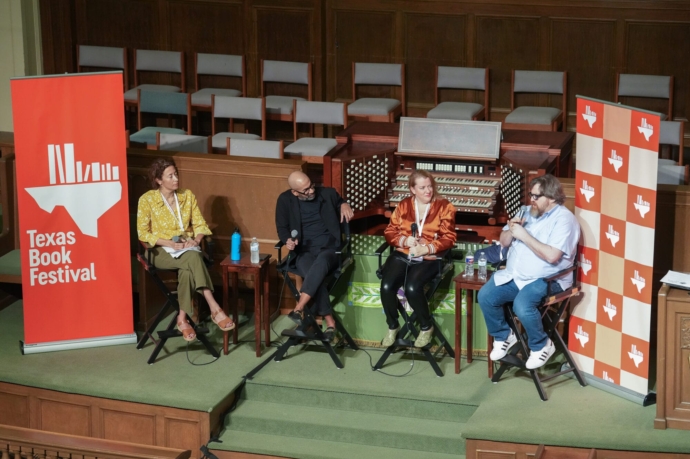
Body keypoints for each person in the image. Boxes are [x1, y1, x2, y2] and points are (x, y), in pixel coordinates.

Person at [477, 174, 580, 369]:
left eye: (536, 196)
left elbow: (552, 256)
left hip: (549, 279)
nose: (530, 200)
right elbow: (505, 242)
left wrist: (524, 236)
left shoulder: (565, 220)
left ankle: (542, 345)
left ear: (551, 197)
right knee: (486, 296)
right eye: (530, 195)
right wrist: (511, 229)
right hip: (517, 275)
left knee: (522, 305)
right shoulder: (526, 211)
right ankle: (504, 335)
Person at [137, 158, 235, 341]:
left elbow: (200, 224)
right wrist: (169, 243)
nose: (176, 179)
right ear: (159, 180)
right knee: (193, 259)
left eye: (176, 174)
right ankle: (214, 307)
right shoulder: (147, 200)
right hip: (159, 250)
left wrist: (197, 240)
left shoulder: (186, 195)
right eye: (170, 176)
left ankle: (182, 319)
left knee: (188, 268)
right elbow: (143, 234)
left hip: (186, 248)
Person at [379, 170, 457, 348]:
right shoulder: (404, 205)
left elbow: (449, 238)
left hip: (429, 257)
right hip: (403, 253)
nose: (428, 191)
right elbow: (389, 231)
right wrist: (404, 240)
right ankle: (393, 326)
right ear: (412, 189)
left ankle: (426, 326)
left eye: (430, 186)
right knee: (386, 286)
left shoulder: (445, 206)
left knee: (412, 288)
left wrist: (427, 247)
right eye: (422, 188)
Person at [275, 171, 354, 342]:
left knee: (321, 263)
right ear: (295, 192)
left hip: (330, 249)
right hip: (304, 251)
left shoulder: (328, 194)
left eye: (311, 185)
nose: (311, 191)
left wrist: (344, 203)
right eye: (306, 190)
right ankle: (330, 322)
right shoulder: (285, 200)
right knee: (314, 273)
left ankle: (299, 307)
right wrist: (287, 240)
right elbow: (282, 228)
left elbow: (340, 201)